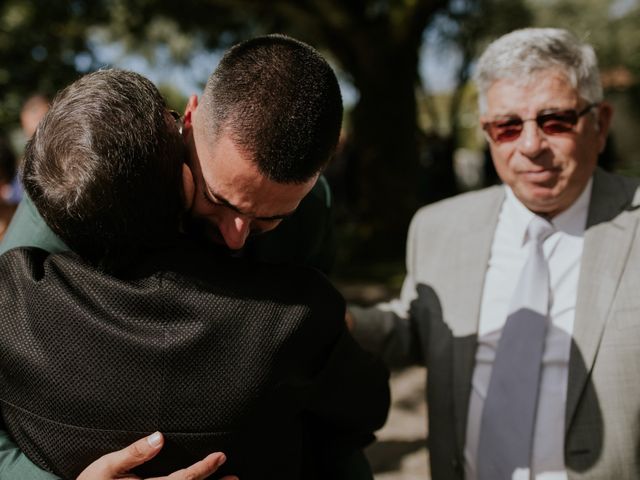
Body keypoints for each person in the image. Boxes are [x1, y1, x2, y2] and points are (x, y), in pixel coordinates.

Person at [0, 68, 389, 479]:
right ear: (188, 121)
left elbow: (328, 394)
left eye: (268, 219)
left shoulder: (312, 212)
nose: (237, 237)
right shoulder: (72, 202)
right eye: (217, 199)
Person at [349, 28, 640, 479]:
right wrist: (339, 321)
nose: (530, 146)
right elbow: (414, 329)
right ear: (487, 133)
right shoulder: (438, 227)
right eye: (507, 127)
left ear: (599, 124)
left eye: (555, 120)